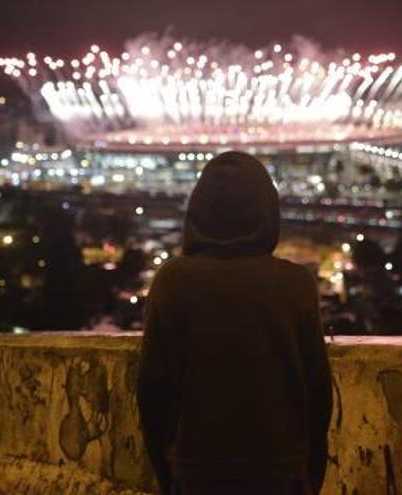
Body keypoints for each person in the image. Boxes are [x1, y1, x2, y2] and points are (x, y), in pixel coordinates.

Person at [136, 151, 333, 495]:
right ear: (267, 212)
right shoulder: (294, 283)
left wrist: (168, 472)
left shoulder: (173, 280)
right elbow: (318, 390)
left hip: (197, 471)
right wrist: (307, 472)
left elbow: (152, 388)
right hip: (280, 471)